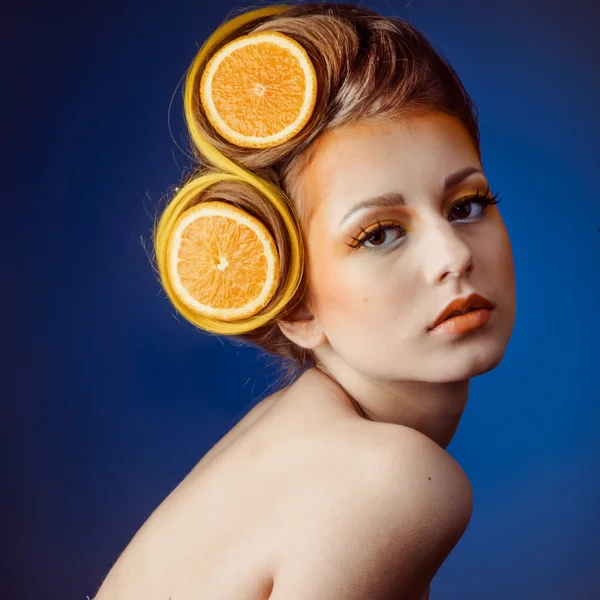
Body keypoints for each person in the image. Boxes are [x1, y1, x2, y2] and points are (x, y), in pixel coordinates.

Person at [93, 2, 516, 599]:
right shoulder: (389, 482)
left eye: (466, 204)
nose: (453, 255)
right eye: (378, 233)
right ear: (296, 306)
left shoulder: (296, 430)